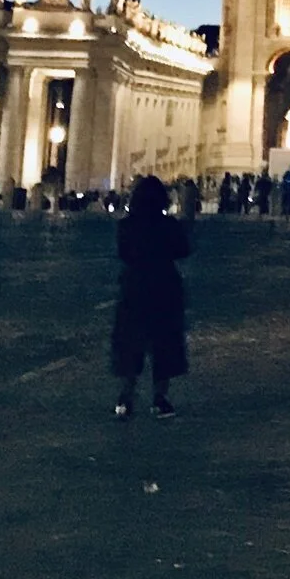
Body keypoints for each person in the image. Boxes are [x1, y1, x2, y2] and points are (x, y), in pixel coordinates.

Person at [110, 176, 191, 419]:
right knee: (164, 344)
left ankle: (125, 398)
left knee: (130, 343)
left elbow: (123, 253)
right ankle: (160, 399)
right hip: (164, 287)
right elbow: (183, 250)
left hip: (134, 288)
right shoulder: (169, 225)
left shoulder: (126, 225)